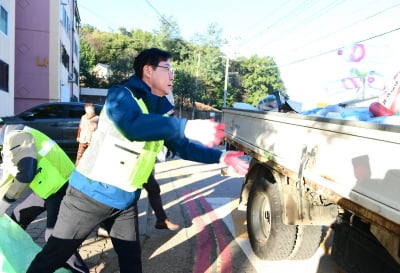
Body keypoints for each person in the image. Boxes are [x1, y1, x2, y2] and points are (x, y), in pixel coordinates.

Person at [26, 47, 249, 273]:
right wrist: (186, 126)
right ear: (148, 71)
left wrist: (223, 156)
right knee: (53, 256)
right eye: (168, 69)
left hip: (124, 201)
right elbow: (131, 126)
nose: (172, 75)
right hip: (89, 196)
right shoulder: (121, 95)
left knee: (132, 263)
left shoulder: (159, 111)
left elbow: (182, 147)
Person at [0, 121, 89, 273]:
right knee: (18, 217)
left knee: (54, 238)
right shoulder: (7, 144)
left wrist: (5, 203)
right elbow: (8, 178)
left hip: (63, 186)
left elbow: (26, 174)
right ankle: (21, 257)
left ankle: (79, 271)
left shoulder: (16, 136)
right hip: (46, 189)